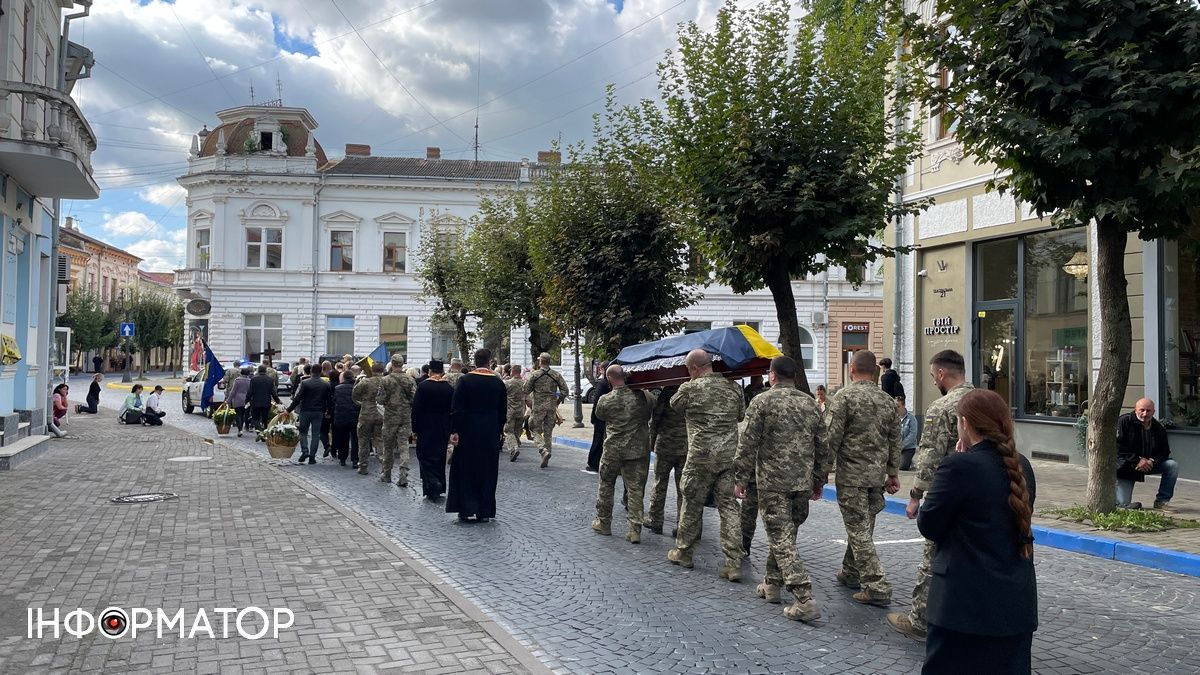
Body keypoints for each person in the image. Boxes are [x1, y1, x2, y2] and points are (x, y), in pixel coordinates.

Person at [917, 389, 1037, 674]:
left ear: (965, 424)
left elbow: (929, 524)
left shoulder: (959, 466)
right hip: (1014, 605)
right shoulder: (1024, 466)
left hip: (961, 607)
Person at [733, 356, 830, 623]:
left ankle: (804, 598)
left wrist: (740, 478)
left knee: (782, 539)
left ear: (772, 375)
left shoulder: (762, 401)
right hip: (801, 483)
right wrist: (819, 479)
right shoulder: (810, 403)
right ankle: (771, 584)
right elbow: (823, 445)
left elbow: (747, 443)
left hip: (773, 483)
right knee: (786, 535)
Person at [889, 350, 975, 641]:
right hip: (983, 492)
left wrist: (914, 495)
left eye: (932, 376)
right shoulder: (985, 401)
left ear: (941, 374)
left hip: (949, 494)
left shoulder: (942, 407)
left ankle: (920, 620)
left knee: (932, 558)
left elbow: (930, 457)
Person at [823, 350, 902, 607]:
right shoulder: (887, 401)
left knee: (858, 530)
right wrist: (893, 473)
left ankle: (876, 585)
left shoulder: (844, 397)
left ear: (851, 370)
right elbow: (894, 440)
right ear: (876, 372)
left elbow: (831, 439)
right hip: (876, 476)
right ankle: (850, 571)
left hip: (852, 476)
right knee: (864, 526)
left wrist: (820, 472)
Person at [667, 349, 745, 579]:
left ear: (693, 369)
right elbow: (740, 416)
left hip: (699, 458)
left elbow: (675, 406)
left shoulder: (689, 389)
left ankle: (684, 553)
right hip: (728, 458)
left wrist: (689, 383)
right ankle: (734, 563)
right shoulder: (734, 388)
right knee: (729, 508)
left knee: (691, 504)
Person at [591, 365, 654, 543]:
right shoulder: (643, 397)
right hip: (637, 450)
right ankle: (635, 530)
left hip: (613, 450)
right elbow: (651, 407)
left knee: (606, 485)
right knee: (635, 489)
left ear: (610, 379)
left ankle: (604, 523)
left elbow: (600, 416)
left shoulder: (605, 400)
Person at [447, 349, 507, 523]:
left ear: (475, 361)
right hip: (490, 433)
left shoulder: (464, 381)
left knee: (466, 469)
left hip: (468, 431)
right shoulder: (498, 383)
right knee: (487, 471)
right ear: (490, 362)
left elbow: (457, 408)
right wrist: (498, 430)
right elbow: (503, 412)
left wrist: (454, 430)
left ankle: (466, 508)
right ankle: (484, 511)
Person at [1115, 398, 1178, 510]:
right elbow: (1118, 447)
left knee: (1172, 466)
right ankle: (1122, 502)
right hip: (1127, 466)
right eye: (1142, 410)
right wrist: (1137, 460)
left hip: (1149, 464)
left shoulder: (1158, 428)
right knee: (1122, 504)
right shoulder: (1124, 422)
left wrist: (1152, 460)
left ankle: (1162, 501)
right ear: (1135, 410)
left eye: (1148, 411)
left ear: (1154, 411)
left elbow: (1164, 451)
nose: (1145, 414)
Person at [646, 384, 688, 537]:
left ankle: (655, 520)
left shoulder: (667, 392)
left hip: (665, 445)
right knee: (683, 488)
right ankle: (682, 525)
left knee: (659, 483)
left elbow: (656, 418)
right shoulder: (690, 391)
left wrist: (652, 440)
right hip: (686, 445)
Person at [413, 360, 454, 500]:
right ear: (442, 372)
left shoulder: (423, 387)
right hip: (443, 426)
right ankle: (440, 484)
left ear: (430, 371)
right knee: (440, 456)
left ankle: (432, 483)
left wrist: (415, 429)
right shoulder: (448, 388)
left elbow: (416, 409)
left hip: (426, 426)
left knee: (425, 455)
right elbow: (452, 410)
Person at [376, 355, 417, 486]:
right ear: (402, 364)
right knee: (404, 445)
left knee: (388, 446)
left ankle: (387, 474)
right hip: (405, 416)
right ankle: (403, 474)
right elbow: (414, 398)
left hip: (390, 417)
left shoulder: (385, 380)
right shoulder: (410, 380)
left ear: (392, 364)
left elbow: (380, 399)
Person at [524, 352, 570, 468]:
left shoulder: (535, 375)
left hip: (538, 406)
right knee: (548, 432)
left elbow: (526, 389)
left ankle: (542, 449)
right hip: (551, 406)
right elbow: (565, 391)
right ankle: (547, 455)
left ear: (540, 362)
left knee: (534, 428)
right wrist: (558, 401)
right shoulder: (556, 375)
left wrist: (529, 400)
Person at [287, 364, 332, 464]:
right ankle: (312, 457)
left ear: (311, 371)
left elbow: (297, 398)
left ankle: (305, 451)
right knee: (316, 434)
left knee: (303, 432)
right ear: (320, 371)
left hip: (305, 411)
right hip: (318, 412)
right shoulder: (325, 384)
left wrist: (288, 410)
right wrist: (329, 411)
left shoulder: (305, 383)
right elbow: (329, 401)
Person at [352, 363, 386, 475]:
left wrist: (361, 403)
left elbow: (354, 395)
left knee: (363, 441)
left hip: (366, 413)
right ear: (383, 370)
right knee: (379, 440)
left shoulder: (366, 381)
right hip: (381, 414)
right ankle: (384, 465)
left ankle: (363, 466)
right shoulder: (387, 382)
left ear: (372, 370)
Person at [585, 361, 613, 473]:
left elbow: (597, 401)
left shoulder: (602, 383)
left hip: (601, 416)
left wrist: (593, 417)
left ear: (603, 369)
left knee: (597, 440)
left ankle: (593, 463)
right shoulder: (612, 384)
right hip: (611, 417)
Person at [332, 371, 360, 467]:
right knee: (355, 439)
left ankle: (342, 458)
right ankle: (355, 460)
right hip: (355, 416)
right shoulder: (357, 388)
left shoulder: (337, 388)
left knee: (343, 438)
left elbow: (334, 401)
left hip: (342, 416)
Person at [503, 364, 527, 461]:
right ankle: (516, 443)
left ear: (512, 371)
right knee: (517, 430)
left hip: (510, 410)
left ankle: (513, 448)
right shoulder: (524, 383)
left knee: (508, 431)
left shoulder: (507, 383)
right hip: (521, 410)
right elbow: (528, 398)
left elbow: (502, 396)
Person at [249, 365, 281, 432]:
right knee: (265, 418)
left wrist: (246, 400)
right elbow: (273, 392)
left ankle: (259, 431)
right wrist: (277, 401)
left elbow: (250, 391)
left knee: (255, 418)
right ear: (265, 371)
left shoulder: (254, 379)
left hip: (256, 401)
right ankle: (264, 431)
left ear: (258, 370)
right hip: (266, 402)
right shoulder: (270, 380)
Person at [227, 367, 252, 436]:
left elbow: (233, 391)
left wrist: (229, 400)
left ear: (241, 373)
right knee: (244, 414)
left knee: (238, 414)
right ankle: (242, 427)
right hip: (246, 400)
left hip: (237, 400)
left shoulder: (237, 380)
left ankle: (240, 430)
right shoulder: (250, 381)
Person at [898, 395, 919, 471]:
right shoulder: (894, 418)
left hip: (908, 448)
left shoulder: (911, 418)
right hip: (896, 447)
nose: (896, 409)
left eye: (898, 406)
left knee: (902, 467)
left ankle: (909, 461)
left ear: (904, 405)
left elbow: (912, 435)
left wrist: (902, 445)